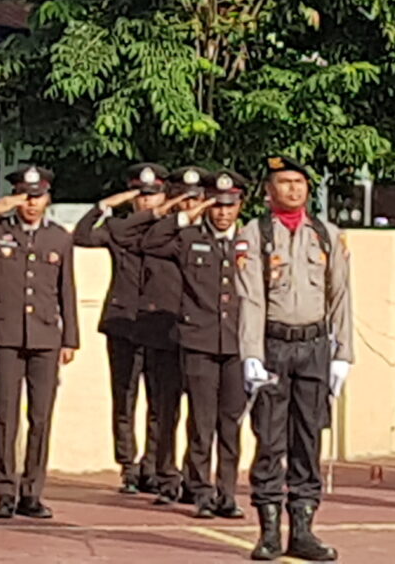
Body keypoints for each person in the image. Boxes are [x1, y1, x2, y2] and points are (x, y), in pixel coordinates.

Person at [238, 155, 353, 562]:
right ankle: (268, 531)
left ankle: (303, 529)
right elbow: (250, 297)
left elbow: (340, 296)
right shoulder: (256, 233)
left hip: (314, 347)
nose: (293, 189)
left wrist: (344, 355)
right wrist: (250, 354)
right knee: (270, 439)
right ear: (269, 191)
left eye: (299, 182)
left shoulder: (326, 233)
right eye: (284, 182)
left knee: (308, 438)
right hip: (273, 345)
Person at [0, 164, 79, 520]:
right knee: (5, 417)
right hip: (5, 336)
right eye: (25, 197)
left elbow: (66, 290)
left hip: (45, 337)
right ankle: (5, 492)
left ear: (48, 198)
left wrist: (70, 337)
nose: (31, 204)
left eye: (37, 197)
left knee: (40, 418)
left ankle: (32, 493)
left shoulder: (59, 238)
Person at [131, 170, 251, 520]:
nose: (223, 213)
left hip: (235, 345)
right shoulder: (189, 238)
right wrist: (185, 215)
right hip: (198, 341)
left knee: (230, 422)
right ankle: (200, 491)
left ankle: (227, 492)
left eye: (230, 206)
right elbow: (149, 243)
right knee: (201, 422)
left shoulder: (249, 243)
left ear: (240, 206)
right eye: (217, 205)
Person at [75, 163, 172, 496]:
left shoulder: (171, 231)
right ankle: (128, 466)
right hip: (123, 325)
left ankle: (152, 465)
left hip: (159, 326)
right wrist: (107, 204)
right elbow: (82, 235)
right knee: (125, 398)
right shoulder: (120, 229)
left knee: (160, 400)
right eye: (141, 196)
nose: (147, 202)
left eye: (152, 195)